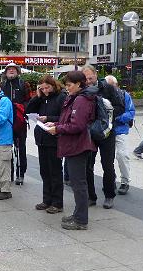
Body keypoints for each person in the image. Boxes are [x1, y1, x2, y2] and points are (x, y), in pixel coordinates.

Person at [47, 70, 96, 230]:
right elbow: (68, 120)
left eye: (69, 85)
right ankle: (77, 214)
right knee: (77, 183)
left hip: (78, 146)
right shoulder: (76, 97)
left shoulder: (81, 100)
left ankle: (81, 220)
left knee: (78, 183)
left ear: (78, 84)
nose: (67, 88)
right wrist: (56, 124)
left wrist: (58, 129)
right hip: (74, 145)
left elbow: (77, 125)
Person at [82, 65, 125, 208]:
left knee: (107, 165)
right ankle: (91, 196)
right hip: (89, 132)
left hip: (107, 131)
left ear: (96, 75)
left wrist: (106, 112)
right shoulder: (82, 90)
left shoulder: (108, 88)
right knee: (88, 165)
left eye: (90, 78)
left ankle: (109, 195)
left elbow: (120, 107)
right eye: (86, 79)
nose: (88, 81)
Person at [26, 75, 66, 213]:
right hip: (42, 138)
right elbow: (28, 110)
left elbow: (64, 117)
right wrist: (37, 96)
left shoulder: (61, 97)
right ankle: (47, 199)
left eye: (47, 87)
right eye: (42, 88)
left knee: (55, 171)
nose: (45, 91)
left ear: (53, 85)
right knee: (44, 171)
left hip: (54, 138)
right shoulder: (42, 98)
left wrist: (48, 118)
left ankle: (57, 202)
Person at [105, 75, 136, 197]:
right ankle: (110, 179)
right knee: (107, 159)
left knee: (122, 155)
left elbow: (131, 112)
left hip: (120, 129)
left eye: (111, 85)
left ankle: (125, 181)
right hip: (107, 130)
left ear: (116, 85)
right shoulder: (103, 96)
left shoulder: (124, 95)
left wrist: (117, 118)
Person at [0, 62, 29, 184]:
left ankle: (20, 174)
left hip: (19, 121)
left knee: (21, 148)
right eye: (9, 69)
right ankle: (9, 173)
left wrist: (21, 109)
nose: (11, 71)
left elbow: (28, 101)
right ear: (5, 72)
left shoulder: (23, 84)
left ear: (18, 72)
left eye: (14, 69)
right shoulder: (2, 85)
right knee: (7, 148)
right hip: (6, 122)